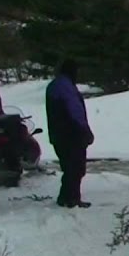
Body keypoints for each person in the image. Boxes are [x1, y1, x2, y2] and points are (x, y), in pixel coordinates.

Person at [45, 58, 94, 208]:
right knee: (76, 168)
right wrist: (85, 130)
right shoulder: (66, 87)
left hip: (57, 134)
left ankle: (65, 197)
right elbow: (75, 111)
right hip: (71, 134)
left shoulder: (54, 85)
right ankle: (71, 199)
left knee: (69, 167)